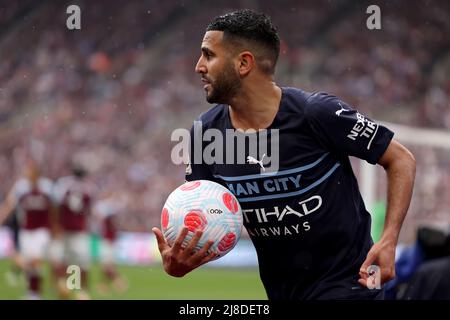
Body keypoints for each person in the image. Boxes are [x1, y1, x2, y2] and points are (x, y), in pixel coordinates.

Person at [152, 9, 416, 300]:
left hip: (353, 284)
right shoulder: (205, 135)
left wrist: (390, 239)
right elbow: (201, 216)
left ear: (243, 63)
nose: (198, 66)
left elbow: (400, 159)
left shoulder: (316, 114)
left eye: (208, 55)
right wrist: (180, 258)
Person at [0, 160, 54, 299]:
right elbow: (10, 204)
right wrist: (2, 217)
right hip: (26, 230)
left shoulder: (47, 187)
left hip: (42, 230)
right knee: (30, 264)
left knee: (36, 260)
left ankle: (35, 291)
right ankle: (33, 293)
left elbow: (55, 207)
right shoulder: (21, 187)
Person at [52, 165, 97, 300]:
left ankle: (65, 286)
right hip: (77, 229)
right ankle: (80, 290)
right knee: (80, 261)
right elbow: (89, 210)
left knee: (65, 260)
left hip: (67, 228)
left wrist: (56, 225)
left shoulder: (63, 185)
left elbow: (56, 205)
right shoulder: (89, 188)